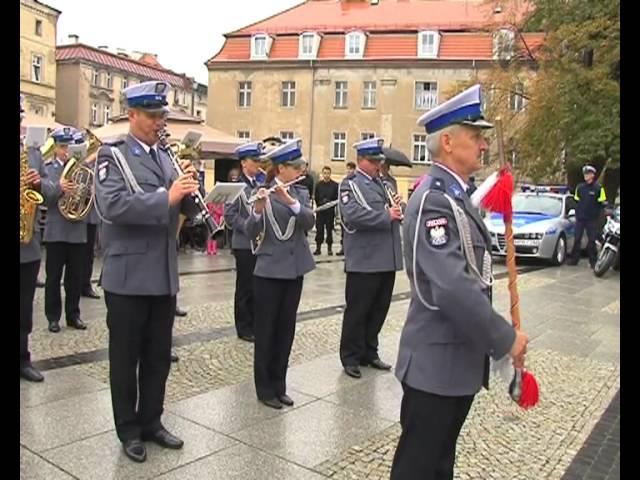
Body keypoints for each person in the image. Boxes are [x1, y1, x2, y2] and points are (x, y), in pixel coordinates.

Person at [390, 84, 529, 480]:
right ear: (448, 142)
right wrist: (504, 338)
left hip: (453, 364)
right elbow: (452, 286)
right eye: (475, 137)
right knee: (418, 469)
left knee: (438, 467)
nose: (483, 145)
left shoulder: (456, 195)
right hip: (436, 365)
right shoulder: (435, 199)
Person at [94, 80, 201, 463]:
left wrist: (190, 193)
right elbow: (113, 206)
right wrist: (166, 196)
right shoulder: (112, 156)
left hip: (161, 271)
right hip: (127, 275)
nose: (160, 123)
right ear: (133, 114)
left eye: (162, 116)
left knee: (158, 354)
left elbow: (181, 211)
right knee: (125, 357)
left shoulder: (165, 156)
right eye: (153, 116)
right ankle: (129, 429)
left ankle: (152, 420)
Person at [245, 139, 315, 409]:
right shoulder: (262, 193)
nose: (299, 171)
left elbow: (308, 222)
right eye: (295, 167)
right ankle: (264, 389)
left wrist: (292, 203)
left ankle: (279, 385)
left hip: (295, 269)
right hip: (269, 272)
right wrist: (259, 210)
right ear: (281, 168)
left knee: (286, 331)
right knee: (266, 332)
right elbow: (250, 232)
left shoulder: (299, 193)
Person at [338, 138, 403, 379]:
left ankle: (369, 351)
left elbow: (396, 210)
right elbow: (352, 215)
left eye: (379, 161)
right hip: (365, 260)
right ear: (360, 161)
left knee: (379, 309)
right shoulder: (349, 185)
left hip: (386, 258)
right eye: (373, 161)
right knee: (358, 310)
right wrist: (386, 215)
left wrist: (399, 207)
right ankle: (350, 356)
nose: (378, 166)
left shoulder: (384, 184)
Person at [20, 96, 55, 382]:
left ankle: (23, 358)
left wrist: (38, 183)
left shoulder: (32, 152)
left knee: (23, 307)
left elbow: (52, 191)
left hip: (28, 243)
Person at [43, 127, 88, 333]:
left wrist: (83, 192)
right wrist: (60, 187)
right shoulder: (49, 169)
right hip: (56, 231)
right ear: (55, 148)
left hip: (77, 230)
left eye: (68, 147)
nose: (65, 151)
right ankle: (53, 317)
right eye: (62, 147)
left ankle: (73, 315)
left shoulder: (82, 168)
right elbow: (44, 198)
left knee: (75, 277)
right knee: (53, 277)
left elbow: (89, 197)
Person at [223, 141, 264, 342]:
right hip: (243, 243)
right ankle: (244, 327)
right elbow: (230, 216)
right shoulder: (236, 186)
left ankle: (256, 322)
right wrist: (247, 225)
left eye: (258, 161)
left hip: (259, 243)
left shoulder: (260, 184)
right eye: (254, 161)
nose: (258, 165)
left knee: (258, 287)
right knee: (245, 287)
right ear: (244, 163)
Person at [568, 164, 607, 268]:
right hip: (580, 218)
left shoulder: (598, 188)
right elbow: (576, 201)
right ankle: (574, 259)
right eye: (585, 174)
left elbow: (602, 203)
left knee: (591, 241)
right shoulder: (580, 187)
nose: (585, 176)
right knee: (577, 239)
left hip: (592, 219)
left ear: (592, 175)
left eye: (588, 174)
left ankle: (593, 261)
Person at [77, 140, 101, 300]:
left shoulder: (98, 168)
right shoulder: (81, 166)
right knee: (78, 254)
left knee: (89, 253)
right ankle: (77, 284)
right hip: (79, 214)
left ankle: (86, 284)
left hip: (92, 215)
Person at [313, 166, 339, 255]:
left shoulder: (335, 185)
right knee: (319, 230)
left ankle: (329, 249)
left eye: (328, 173)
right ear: (322, 174)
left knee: (329, 230)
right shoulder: (318, 185)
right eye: (324, 173)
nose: (326, 175)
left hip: (330, 212)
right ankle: (318, 248)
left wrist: (330, 203)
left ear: (330, 174)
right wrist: (320, 203)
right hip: (320, 211)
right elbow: (316, 197)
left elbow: (336, 198)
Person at [336, 161, 356, 256]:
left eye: (351, 169)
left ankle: (352, 249)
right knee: (344, 232)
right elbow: (340, 198)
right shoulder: (344, 181)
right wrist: (339, 213)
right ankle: (343, 248)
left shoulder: (356, 181)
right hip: (343, 211)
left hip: (353, 212)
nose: (349, 171)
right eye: (348, 169)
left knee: (353, 232)